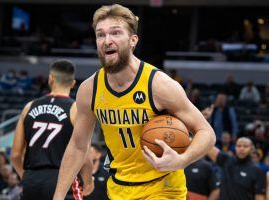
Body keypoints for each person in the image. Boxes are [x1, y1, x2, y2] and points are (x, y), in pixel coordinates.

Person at [53, 4, 215, 200]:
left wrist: (181, 160)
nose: (107, 40)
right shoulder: (89, 89)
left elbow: (206, 133)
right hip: (119, 189)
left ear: (133, 40)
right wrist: (58, 196)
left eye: (115, 33)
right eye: (100, 35)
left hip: (162, 187)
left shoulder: (158, 84)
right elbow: (78, 146)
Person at [11, 59, 93, 200]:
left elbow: (15, 155)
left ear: (51, 79)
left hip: (31, 180)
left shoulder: (29, 107)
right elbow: (83, 154)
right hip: (62, 179)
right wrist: (88, 181)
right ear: (73, 83)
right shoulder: (75, 109)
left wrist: (26, 177)